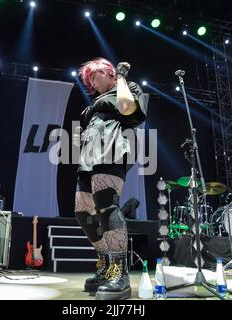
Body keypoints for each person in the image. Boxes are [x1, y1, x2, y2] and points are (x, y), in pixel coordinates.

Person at [73, 58, 147, 300]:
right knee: (83, 209)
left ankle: (120, 273)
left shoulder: (128, 87)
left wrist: (122, 78)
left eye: (95, 76)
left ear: (109, 73)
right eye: (89, 80)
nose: (92, 83)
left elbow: (128, 110)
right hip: (89, 155)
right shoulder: (96, 101)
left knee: (106, 203)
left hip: (112, 147)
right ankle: (106, 265)